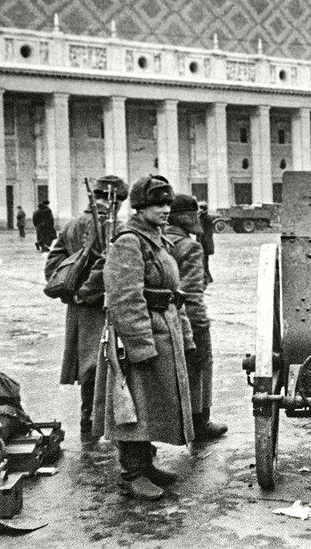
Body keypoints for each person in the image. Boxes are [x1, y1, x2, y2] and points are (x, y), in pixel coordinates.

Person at [93, 175, 194, 501]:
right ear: (140, 206)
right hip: (140, 334)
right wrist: (139, 345)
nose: (166, 209)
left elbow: (172, 293)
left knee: (149, 405)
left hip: (163, 328)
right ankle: (132, 474)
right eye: (157, 204)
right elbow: (125, 297)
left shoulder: (156, 238)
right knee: (132, 406)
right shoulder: (129, 241)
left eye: (167, 203)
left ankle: (146, 464)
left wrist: (185, 334)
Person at [46, 175, 128, 440]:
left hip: (79, 308)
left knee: (88, 366)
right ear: (117, 201)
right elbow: (111, 265)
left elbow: (53, 265)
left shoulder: (72, 225)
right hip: (100, 305)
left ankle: (88, 420)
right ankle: (105, 423)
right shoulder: (115, 226)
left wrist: (71, 289)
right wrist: (86, 290)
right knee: (107, 364)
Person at [166, 194, 228, 442]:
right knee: (201, 366)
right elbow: (191, 292)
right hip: (189, 317)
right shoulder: (190, 247)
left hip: (162, 317)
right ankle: (200, 422)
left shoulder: (159, 241)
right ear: (186, 218)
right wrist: (200, 323)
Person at [197, 201, 216, 284]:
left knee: (203, 261)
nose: (198, 210)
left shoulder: (205, 218)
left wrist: (199, 242)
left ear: (203, 209)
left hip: (204, 242)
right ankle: (208, 277)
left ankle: (206, 277)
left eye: (200, 208)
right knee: (204, 261)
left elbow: (203, 232)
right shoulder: (204, 217)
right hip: (205, 242)